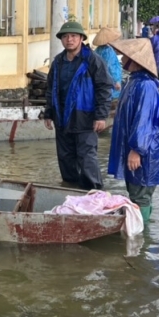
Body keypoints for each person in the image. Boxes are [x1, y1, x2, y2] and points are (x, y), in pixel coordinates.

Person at [106, 38, 159, 226]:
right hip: (137, 148)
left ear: (135, 61)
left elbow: (144, 121)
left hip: (144, 151)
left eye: (125, 56)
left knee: (140, 195)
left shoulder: (145, 86)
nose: (122, 59)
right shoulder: (134, 82)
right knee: (136, 192)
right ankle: (139, 232)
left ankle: (141, 237)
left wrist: (137, 150)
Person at [43, 20, 113, 190]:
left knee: (87, 158)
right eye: (65, 36)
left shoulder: (92, 60)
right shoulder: (58, 62)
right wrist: (48, 113)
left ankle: (95, 193)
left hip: (85, 119)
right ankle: (70, 191)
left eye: (74, 36)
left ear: (81, 38)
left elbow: (104, 87)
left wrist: (101, 116)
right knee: (65, 158)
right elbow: (51, 88)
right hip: (62, 120)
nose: (69, 40)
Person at [91, 27, 123, 101]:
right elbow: (111, 67)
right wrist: (117, 81)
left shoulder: (97, 50)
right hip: (110, 84)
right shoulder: (109, 51)